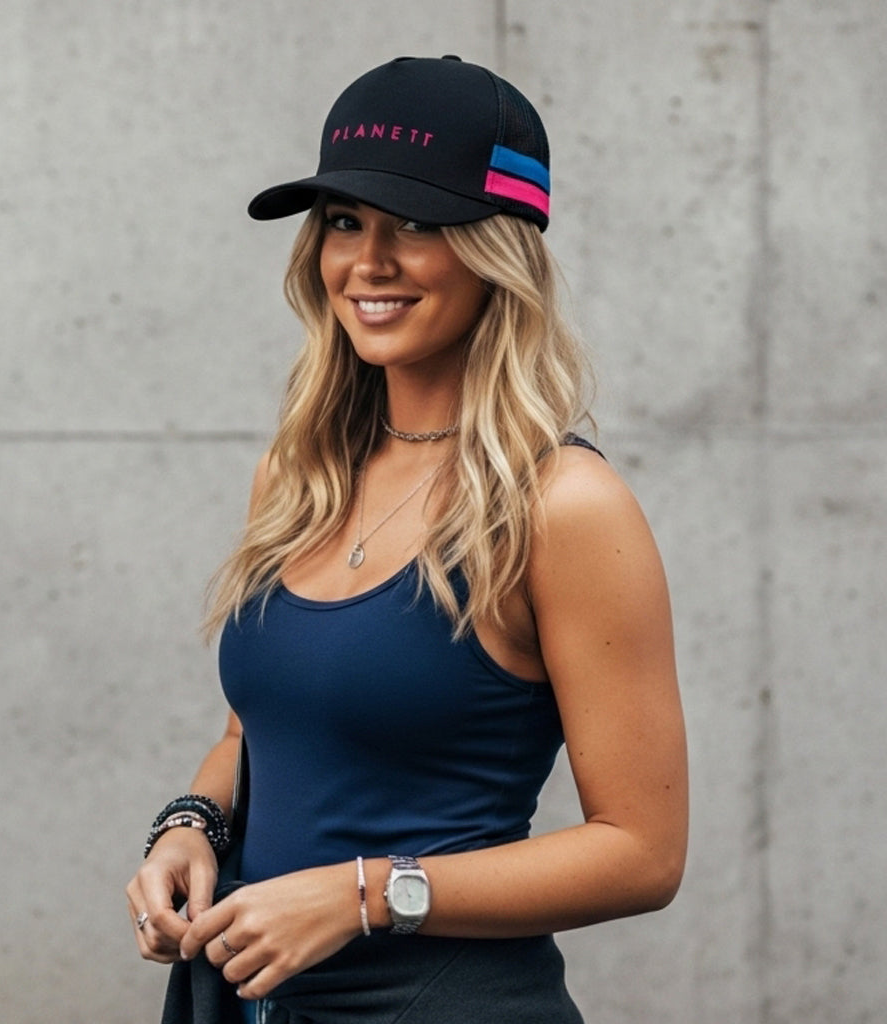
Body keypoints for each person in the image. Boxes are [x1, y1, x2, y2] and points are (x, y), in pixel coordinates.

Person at [126, 55, 688, 1023]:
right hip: (246, 1000)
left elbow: (643, 852)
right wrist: (191, 826)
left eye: (418, 225)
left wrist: (366, 894)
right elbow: (256, 731)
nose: (368, 262)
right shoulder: (299, 476)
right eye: (345, 221)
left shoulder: (562, 505)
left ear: (496, 250)